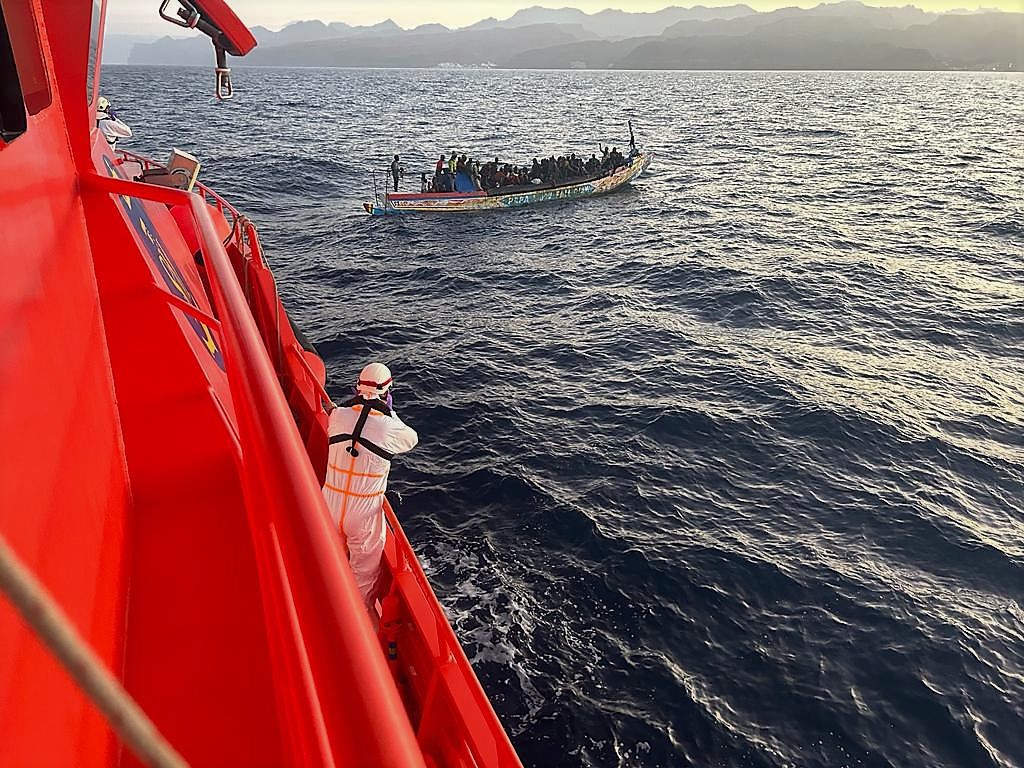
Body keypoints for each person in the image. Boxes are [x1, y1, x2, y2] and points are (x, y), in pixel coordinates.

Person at [323, 363, 418, 610]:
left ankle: (324, 600)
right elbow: (411, 439)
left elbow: (341, 418)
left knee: (329, 559)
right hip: (363, 512)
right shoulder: (391, 427)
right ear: (387, 393)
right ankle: (354, 616)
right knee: (363, 576)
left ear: (357, 387)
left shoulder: (337, 415)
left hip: (329, 504)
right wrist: (387, 411)